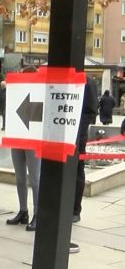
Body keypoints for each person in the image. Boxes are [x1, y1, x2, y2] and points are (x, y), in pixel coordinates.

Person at [5, 66, 39, 232]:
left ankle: (38, 214)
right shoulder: (17, 92)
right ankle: (23, 211)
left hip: (33, 141)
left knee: (35, 179)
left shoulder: (40, 93)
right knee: (19, 178)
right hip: (18, 137)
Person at [73, 76, 98, 223]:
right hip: (59, 135)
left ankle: (75, 209)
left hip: (78, 135)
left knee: (77, 171)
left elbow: (91, 110)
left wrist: (78, 130)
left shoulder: (87, 81)